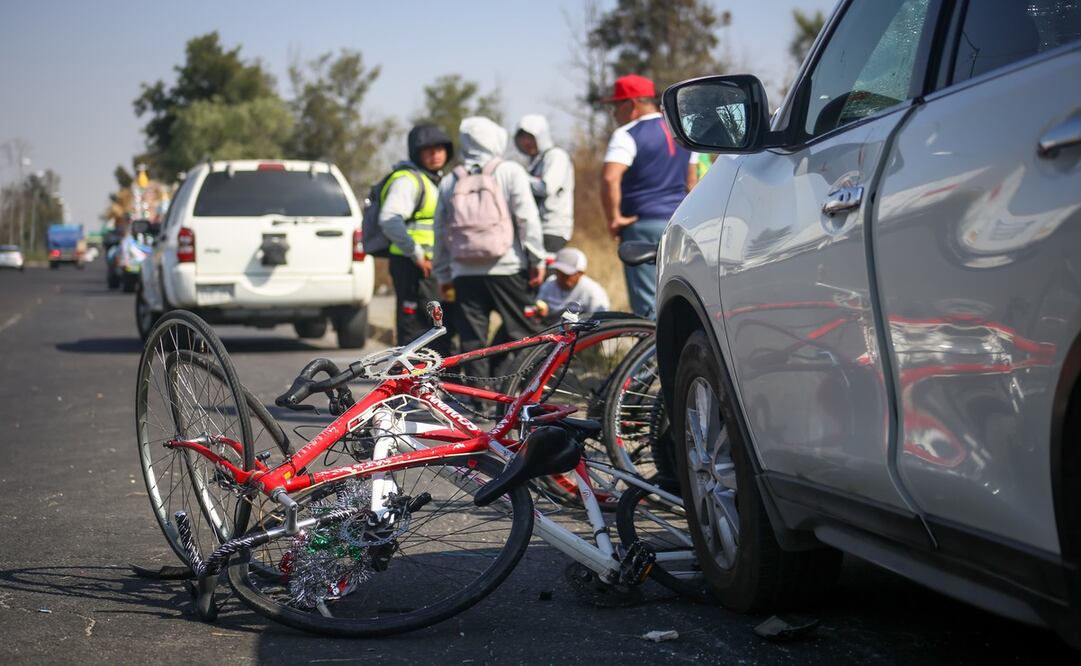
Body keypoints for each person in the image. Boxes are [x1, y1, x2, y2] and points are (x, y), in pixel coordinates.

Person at [433, 116, 547, 377]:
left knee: (472, 340)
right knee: (523, 332)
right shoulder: (509, 171)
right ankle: (520, 389)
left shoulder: (451, 179)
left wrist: (442, 273)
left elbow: (439, 231)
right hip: (507, 267)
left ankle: (478, 396)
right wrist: (536, 259)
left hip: (464, 271)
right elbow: (527, 218)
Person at [600, 74, 695, 317]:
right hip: (679, 224)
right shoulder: (681, 130)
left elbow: (611, 177)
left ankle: (650, 353)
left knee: (649, 305)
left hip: (642, 225)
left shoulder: (627, 135)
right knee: (679, 294)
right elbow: (691, 182)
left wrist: (615, 218)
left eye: (615, 107)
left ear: (631, 105)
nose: (613, 114)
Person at [378, 124, 455, 354]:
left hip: (432, 267)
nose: (435, 154)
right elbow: (389, 219)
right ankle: (406, 380)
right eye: (428, 150)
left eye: (439, 148)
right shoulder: (408, 181)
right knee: (415, 329)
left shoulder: (435, 180)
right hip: (413, 265)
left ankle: (429, 380)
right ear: (416, 152)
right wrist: (417, 254)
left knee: (434, 326)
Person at [514, 114, 575, 253]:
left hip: (552, 228)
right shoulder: (535, 161)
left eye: (530, 137)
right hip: (536, 228)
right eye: (522, 138)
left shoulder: (556, 156)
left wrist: (518, 177)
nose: (526, 142)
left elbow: (546, 187)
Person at [536, 247, 610, 325]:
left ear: (581, 273)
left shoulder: (593, 292)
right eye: (559, 272)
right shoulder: (549, 283)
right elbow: (539, 305)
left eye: (567, 274)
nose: (562, 277)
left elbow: (601, 321)